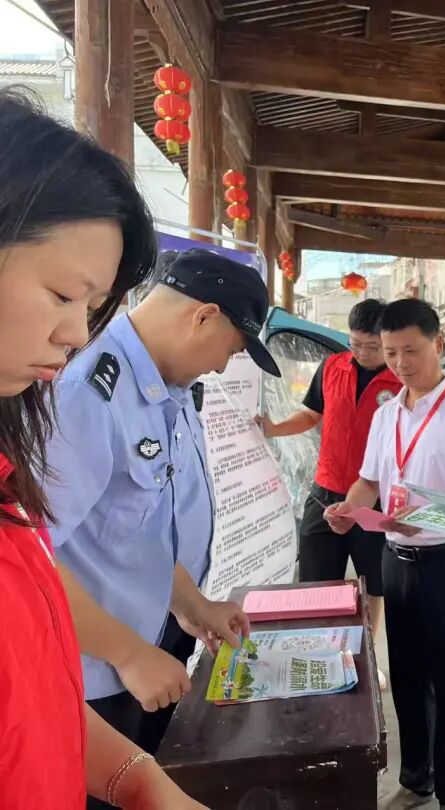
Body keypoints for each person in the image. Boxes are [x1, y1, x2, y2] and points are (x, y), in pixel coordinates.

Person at [0, 87, 205, 808]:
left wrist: (139, 781)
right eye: (63, 296)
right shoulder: (91, 391)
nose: (76, 335)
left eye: (92, 308)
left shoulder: (8, 481)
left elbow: (31, 698)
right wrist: (125, 651)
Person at [46, 249, 280, 776]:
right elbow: (30, 555)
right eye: (231, 350)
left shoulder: (167, 387)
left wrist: (193, 605)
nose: (222, 366)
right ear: (204, 317)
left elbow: (136, 530)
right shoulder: (86, 391)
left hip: (150, 645)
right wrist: (127, 653)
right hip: (94, 673)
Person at [325, 299, 445, 810]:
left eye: (411, 350)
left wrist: (428, 518)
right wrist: (348, 509)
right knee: (408, 677)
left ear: (438, 343)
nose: (400, 363)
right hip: (396, 558)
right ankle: (417, 779)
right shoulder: (386, 414)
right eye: (390, 352)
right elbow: (370, 482)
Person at [256, 297, 401, 688]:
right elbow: (311, 414)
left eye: (372, 346)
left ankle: (365, 655)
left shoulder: (401, 378)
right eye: (356, 344)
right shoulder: (333, 366)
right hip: (325, 492)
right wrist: (274, 429)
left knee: (373, 585)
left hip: (375, 500)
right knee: (316, 582)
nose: (362, 353)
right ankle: (318, 652)